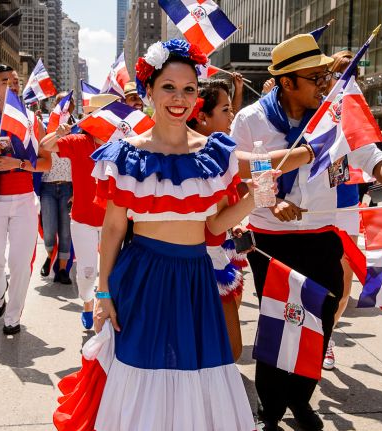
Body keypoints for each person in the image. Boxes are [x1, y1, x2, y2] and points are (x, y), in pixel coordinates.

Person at [55, 39, 263, 430]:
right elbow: (114, 228)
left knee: (196, 367)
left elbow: (215, 226)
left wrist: (258, 196)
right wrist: (102, 293)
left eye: (188, 89)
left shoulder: (215, 152)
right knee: (142, 366)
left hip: (195, 278)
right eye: (168, 87)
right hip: (142, 277)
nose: (179, 98)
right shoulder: (126, 154)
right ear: (148, 91)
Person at [230, 34, 382, 431]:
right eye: (315, 76)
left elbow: (369, 154)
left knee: (320, 318)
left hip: (323, 232)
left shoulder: (333, 115)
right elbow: (237, 171)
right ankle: (269, 410)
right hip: (270, 238)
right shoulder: (251, 119)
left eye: (325, 73)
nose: (325, 82)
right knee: (280, 319)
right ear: (287, 82)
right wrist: (272, 201)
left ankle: (300, 399)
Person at [0, 64, 51, 335]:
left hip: (24, 199)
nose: (12, 85)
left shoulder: (32, 121)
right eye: (5, 81)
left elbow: (46, 162)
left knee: (20, 262)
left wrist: (20, 163)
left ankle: (12, 318)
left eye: (15, 81)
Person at [40, 93, 117, 330]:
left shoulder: (122, 145)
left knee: (111, 270)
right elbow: (45, 146)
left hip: (112, 221)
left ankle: (105, 308)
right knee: (86, 270)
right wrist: (59, 132)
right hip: (83, 218)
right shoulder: (78, 142)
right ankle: (87, 302)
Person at [187, 78, 246, 361]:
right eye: (225, 109)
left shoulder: (221, 152)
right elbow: (213, 225)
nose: (232, 113)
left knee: (224, 351)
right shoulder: (199, 157)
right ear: (201, 117)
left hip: (221, 251)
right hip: (198, 263)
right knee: (223, 351)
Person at [325, 50, 359, 371]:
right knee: (314, 279)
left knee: (344, 288)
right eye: (339, 72)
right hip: (313, 207)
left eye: (352, 73)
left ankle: (328, 335)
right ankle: (316, 336)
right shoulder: (314, 111)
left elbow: (367, 154)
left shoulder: (356, 110)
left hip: (347, 205)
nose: (346, 79)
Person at [37, 92, 73, 284]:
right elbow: (40, 149)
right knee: (49, 230)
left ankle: (62, 270)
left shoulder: (78, 129)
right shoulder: (45, 129)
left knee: (66, 231)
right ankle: (50, 256)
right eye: (60, 103)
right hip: (47, 187)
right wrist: (56, 133)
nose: (64, 106)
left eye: (68, 103)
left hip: (68, 187)